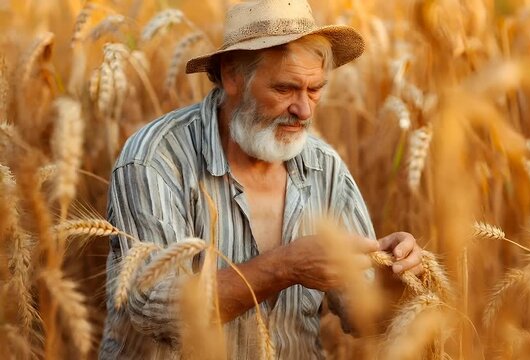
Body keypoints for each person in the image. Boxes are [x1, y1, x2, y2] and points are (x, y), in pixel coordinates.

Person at [99, 0, 424, 359]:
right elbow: (154, 307)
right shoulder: (156, 158)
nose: (304, 110)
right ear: (232, 76)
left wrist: (393, 281)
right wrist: (284, 267)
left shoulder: (325, 167)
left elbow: (362, 317)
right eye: (285, 89)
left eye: (315, 89)